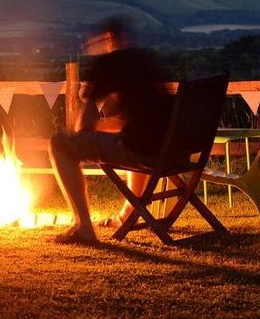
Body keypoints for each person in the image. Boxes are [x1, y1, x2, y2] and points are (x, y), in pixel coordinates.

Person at [48, 17, 174, 244]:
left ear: (108, 38)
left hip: (143, 149)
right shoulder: (147, 60)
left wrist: (90, 130)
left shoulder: (109, 63)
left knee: (60, 144)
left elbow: (83, 127)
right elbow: (145, 117)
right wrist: (110, 127)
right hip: (172, 150)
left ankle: (83, 226)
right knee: (133, 139)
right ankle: (130, 214)